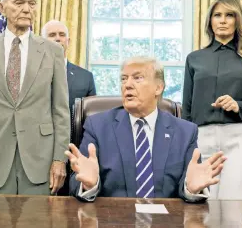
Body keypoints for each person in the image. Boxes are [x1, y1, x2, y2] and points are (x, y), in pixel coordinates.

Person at [66, 56, 226, 202]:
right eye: (123, 79)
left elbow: (193, 179)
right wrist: (89, 185)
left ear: (158, 88)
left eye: (138, 78)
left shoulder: (185, 132)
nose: (127, 85)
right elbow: (78, 179)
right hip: (113, 220)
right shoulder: (98, 126)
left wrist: (190, 189)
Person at [0, 0, 70, 195]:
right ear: (1, 8)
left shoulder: (53, 51)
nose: (27, 9)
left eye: (32, 4)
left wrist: (59, 160)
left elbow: (61, 112)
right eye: (19, 3)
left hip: (39, 162)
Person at [182, 0, 242, 200]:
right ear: (210, 21)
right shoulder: (194, 58)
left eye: (229, 15)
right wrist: (186, 143)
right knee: (204, 201)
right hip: (201, 136)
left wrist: (239, 105)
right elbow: (187, 109)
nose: (223, 20)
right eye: (217, 15)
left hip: (240, 136)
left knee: (236, 203)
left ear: (238, 20)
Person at [41, 20, 96, 117]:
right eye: (52, 35)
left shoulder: (86, 77)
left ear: (68, 41)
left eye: (62, 35)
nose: (58, 38)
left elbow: (92, 116)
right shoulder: (31, 73)